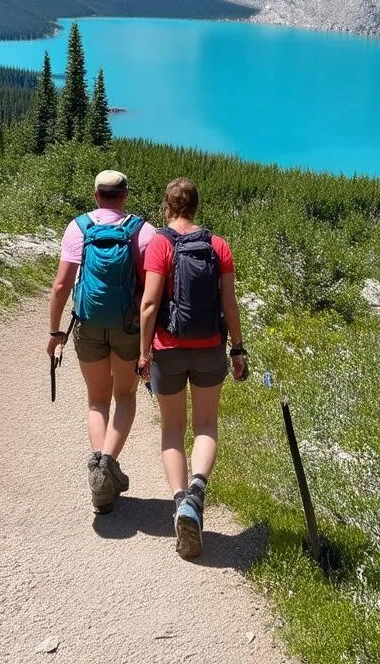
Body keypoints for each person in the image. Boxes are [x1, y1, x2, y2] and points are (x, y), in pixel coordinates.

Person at [138, 177, 248, 559]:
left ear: (167, 207)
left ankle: (181, 500)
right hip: (210, 347)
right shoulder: (219, 246)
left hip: (167, 347)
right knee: (205, 424)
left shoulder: (160, 244)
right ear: (196, 207)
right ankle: (197, 493)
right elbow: (230, 305)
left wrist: (143, 353)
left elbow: (150, 304)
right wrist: (238, 349)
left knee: (172, 429)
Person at [48, 169, 156, 514]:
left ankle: (100, 471)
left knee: (97, 401)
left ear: (96, 195)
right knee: (124, 395)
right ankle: (107, 464)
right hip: (128, 327)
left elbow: (61, 286)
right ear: (124, 196)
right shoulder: (143, 231)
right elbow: (151, 290)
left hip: (88, 325)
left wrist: (55, 333)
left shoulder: (78, 227)